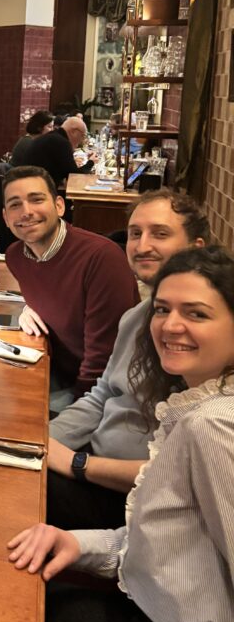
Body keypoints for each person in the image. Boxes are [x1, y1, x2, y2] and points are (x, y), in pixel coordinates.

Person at [8, 246, 234, 622]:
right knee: (11, 607)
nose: (170, 325)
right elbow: (170, 545)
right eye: (163, 309)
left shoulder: (214, 425)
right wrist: (78, 543)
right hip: (147, 614)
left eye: (197, 314)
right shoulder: (194, 405)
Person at [46, 189, 210, 530]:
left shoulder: (199, 340)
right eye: (135, 233)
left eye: (160, 233)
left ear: (196, 247)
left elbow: (181, 472)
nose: (142, 245)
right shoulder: (136, 317)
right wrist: (40, 441)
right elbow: (102, 395)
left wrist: (77, 463)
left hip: (136, 501)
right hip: (93, 459)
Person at [2, 166, 138, 410]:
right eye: (15, 204)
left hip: (109, 394)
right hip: (55, 371)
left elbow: (103, 359)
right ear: (5, 217)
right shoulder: (16, 257)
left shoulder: (102, 258)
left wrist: (74, 413)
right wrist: (27, 308)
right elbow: (53, 294)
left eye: (37, 199)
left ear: (59, 206)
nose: (26, 211)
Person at [24, 115, 95, 188]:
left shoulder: (54, 137)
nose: (82, 140)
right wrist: (91, 162)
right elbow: (73, 176)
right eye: (83, 135)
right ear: (74, 131)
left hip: (32, 184)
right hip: (39, 188)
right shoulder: (61, 142)